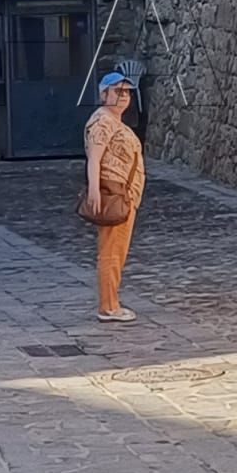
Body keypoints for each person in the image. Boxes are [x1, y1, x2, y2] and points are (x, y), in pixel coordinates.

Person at [83, 69, 145, 323]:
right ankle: (109, 305)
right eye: (117, 92)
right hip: (114, 192)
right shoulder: (102, 122)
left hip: (124, 193)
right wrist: (94, 189)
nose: (123, 97)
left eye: (127, 92)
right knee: (111, 250)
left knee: (117, 249)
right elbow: (94, 159)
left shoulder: (113, 121)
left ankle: (111, 301)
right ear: (103, 94)